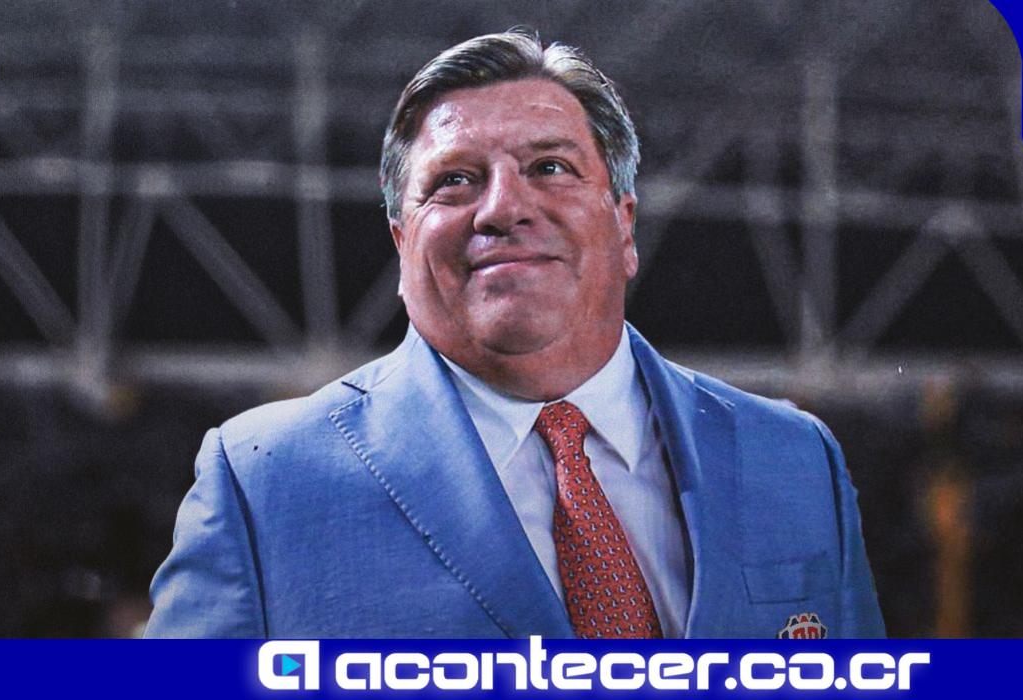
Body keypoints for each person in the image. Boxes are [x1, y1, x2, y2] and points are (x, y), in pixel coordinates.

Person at [145, 29, 885, 639]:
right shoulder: (263, 482)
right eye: (455, 180)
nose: (503, 208)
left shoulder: (795, 459)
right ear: (402, 242)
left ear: (623, 224)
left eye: (550, 166)